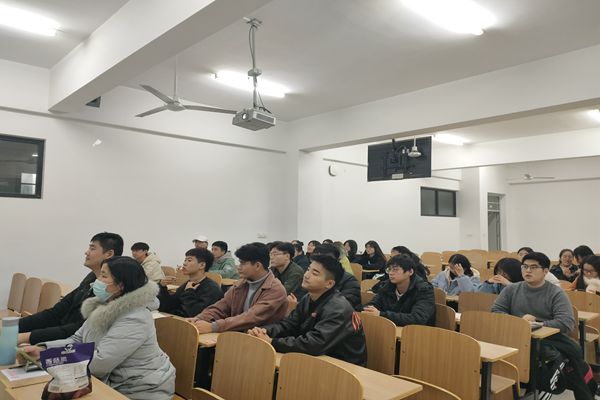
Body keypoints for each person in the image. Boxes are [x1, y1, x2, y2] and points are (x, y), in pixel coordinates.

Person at [19, 257, 176, 400]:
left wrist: (49, 357)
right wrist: (43, 349)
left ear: (120, 285)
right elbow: (77, 339)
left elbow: (101, 361)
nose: (97, 281)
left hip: (140, 389)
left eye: (104, 276)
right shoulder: (104, 306)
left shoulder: (136, 317)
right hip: (110, 381)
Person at [492, 252, 596, 399]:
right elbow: (496, 312)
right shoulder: (511, 289)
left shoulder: (556, 293)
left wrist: (537, 324)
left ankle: (541, 387)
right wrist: (520, 322)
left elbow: (566, 322)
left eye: (534, 267)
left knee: (539, 355)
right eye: (525, 266)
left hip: (547, 340)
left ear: (546, 271)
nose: (528, 270)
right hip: (515, 336)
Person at [248, 254, 367, 366]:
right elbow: (289, 324)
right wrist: (265, 331)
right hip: (319, 358)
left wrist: (272, 342)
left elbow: (315, 343)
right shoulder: (309, 297)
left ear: (329, 283)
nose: (306, 275)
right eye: (308, 269)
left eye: (315, 273)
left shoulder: (338, 308)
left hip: (342, 366)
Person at [18, 232, 124, 345]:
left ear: (109, 254)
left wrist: (28, 337)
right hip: (58, 339)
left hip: (73, 346)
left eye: (92, 248)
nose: (86, 252)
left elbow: (78, 330)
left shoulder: (109, 292)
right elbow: (55, 313)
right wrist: (14, 326)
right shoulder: (90, 279)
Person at [190, 242, 287, 333]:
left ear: (257, 266)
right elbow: (221, 306)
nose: (238, 267)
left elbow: (251, 318)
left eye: (242, 263)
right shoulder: (241, 283)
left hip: (258, 338)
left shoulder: (275, 289)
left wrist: (214, 326)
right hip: (236, 333)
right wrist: (199, 318)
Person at [363, 254, 435, 326]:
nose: (390, 273)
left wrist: (380, 314)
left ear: (410, 272)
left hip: (417, 331)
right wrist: (368, 310)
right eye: (389, 269)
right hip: (392, 328)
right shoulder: (386, 286)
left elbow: (417, 318)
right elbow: (373, 304)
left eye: (395, 269)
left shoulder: (424, 290)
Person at [158, 248, 223, 317]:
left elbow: (196, 314)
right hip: (179, 321)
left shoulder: (211, 288)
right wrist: (162, 287)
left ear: (202, 265)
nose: (184, 263)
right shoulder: (187, 284)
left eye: (189, 260)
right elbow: (168, 307)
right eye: (185, 260)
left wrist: (189, 292)